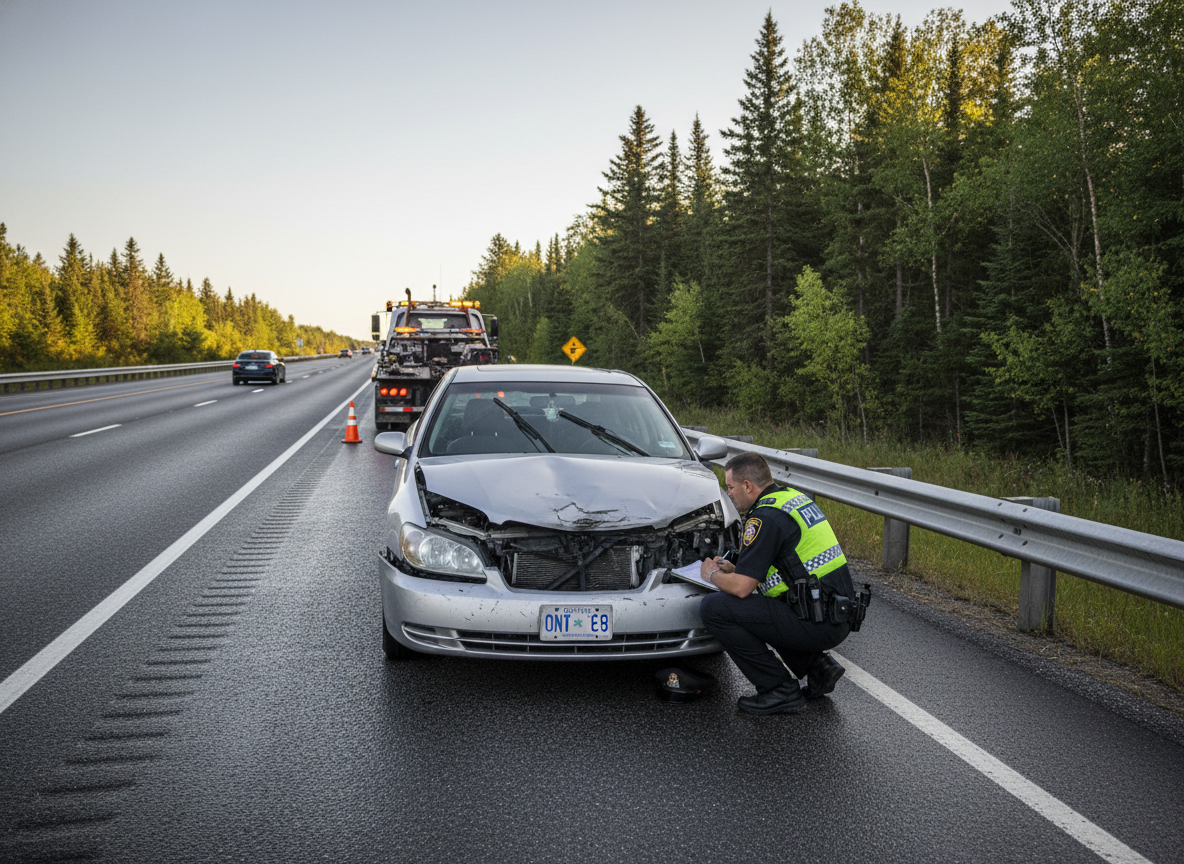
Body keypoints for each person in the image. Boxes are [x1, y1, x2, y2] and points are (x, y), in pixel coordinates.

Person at [699, 451, 862, 715]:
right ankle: (818, 668)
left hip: (817, 623)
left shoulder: (763, 518)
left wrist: (711, 575)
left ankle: (779, 690)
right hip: (834, 614)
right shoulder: (791, 499)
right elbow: (787, 564)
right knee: (768, 609)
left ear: (748, 486)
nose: (728, 494)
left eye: (730, 487)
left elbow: (742, 589)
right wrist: (737, 568)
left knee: (714, 608)